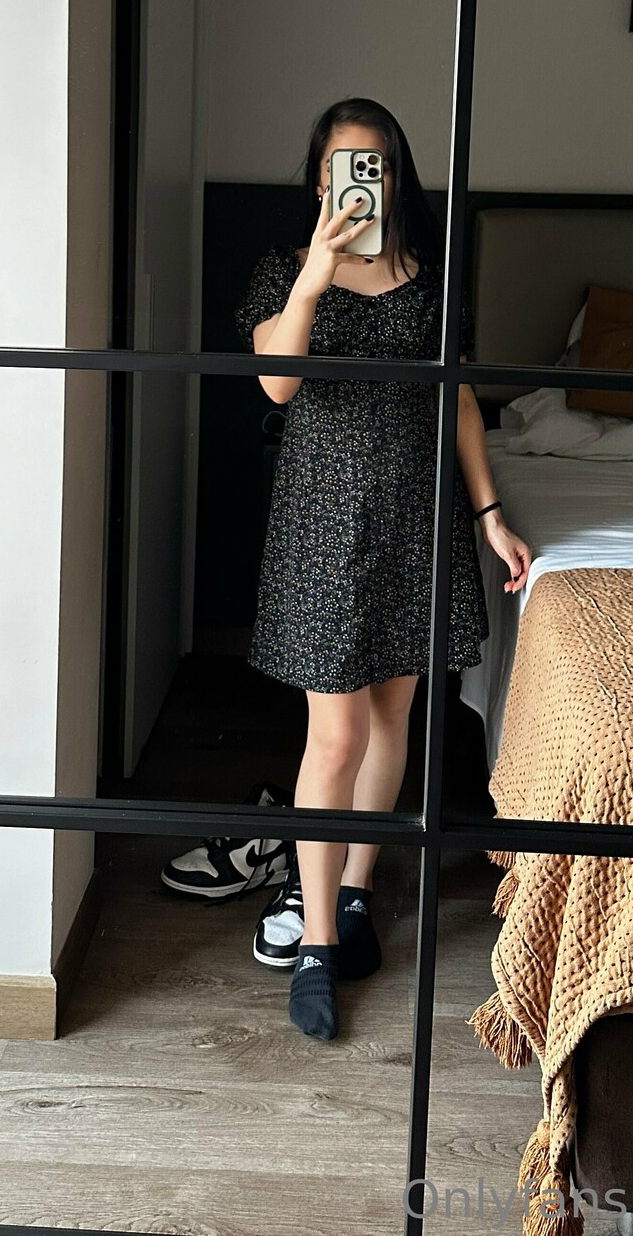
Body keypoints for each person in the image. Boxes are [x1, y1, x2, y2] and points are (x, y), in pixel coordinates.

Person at [234, 97, 532, 1042]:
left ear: (397, 177)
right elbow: (277, 381)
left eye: (378, 165)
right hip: (325, 526)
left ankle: (355, 894)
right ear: (320, 177)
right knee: (336, 736)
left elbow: (461, 404)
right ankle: (317, 942)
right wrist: (315, 280)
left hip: (417, 520)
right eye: (343, 166)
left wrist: (490, 515)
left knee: (395, 717)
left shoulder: (432, 281)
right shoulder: (285, 270)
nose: (362, 182)